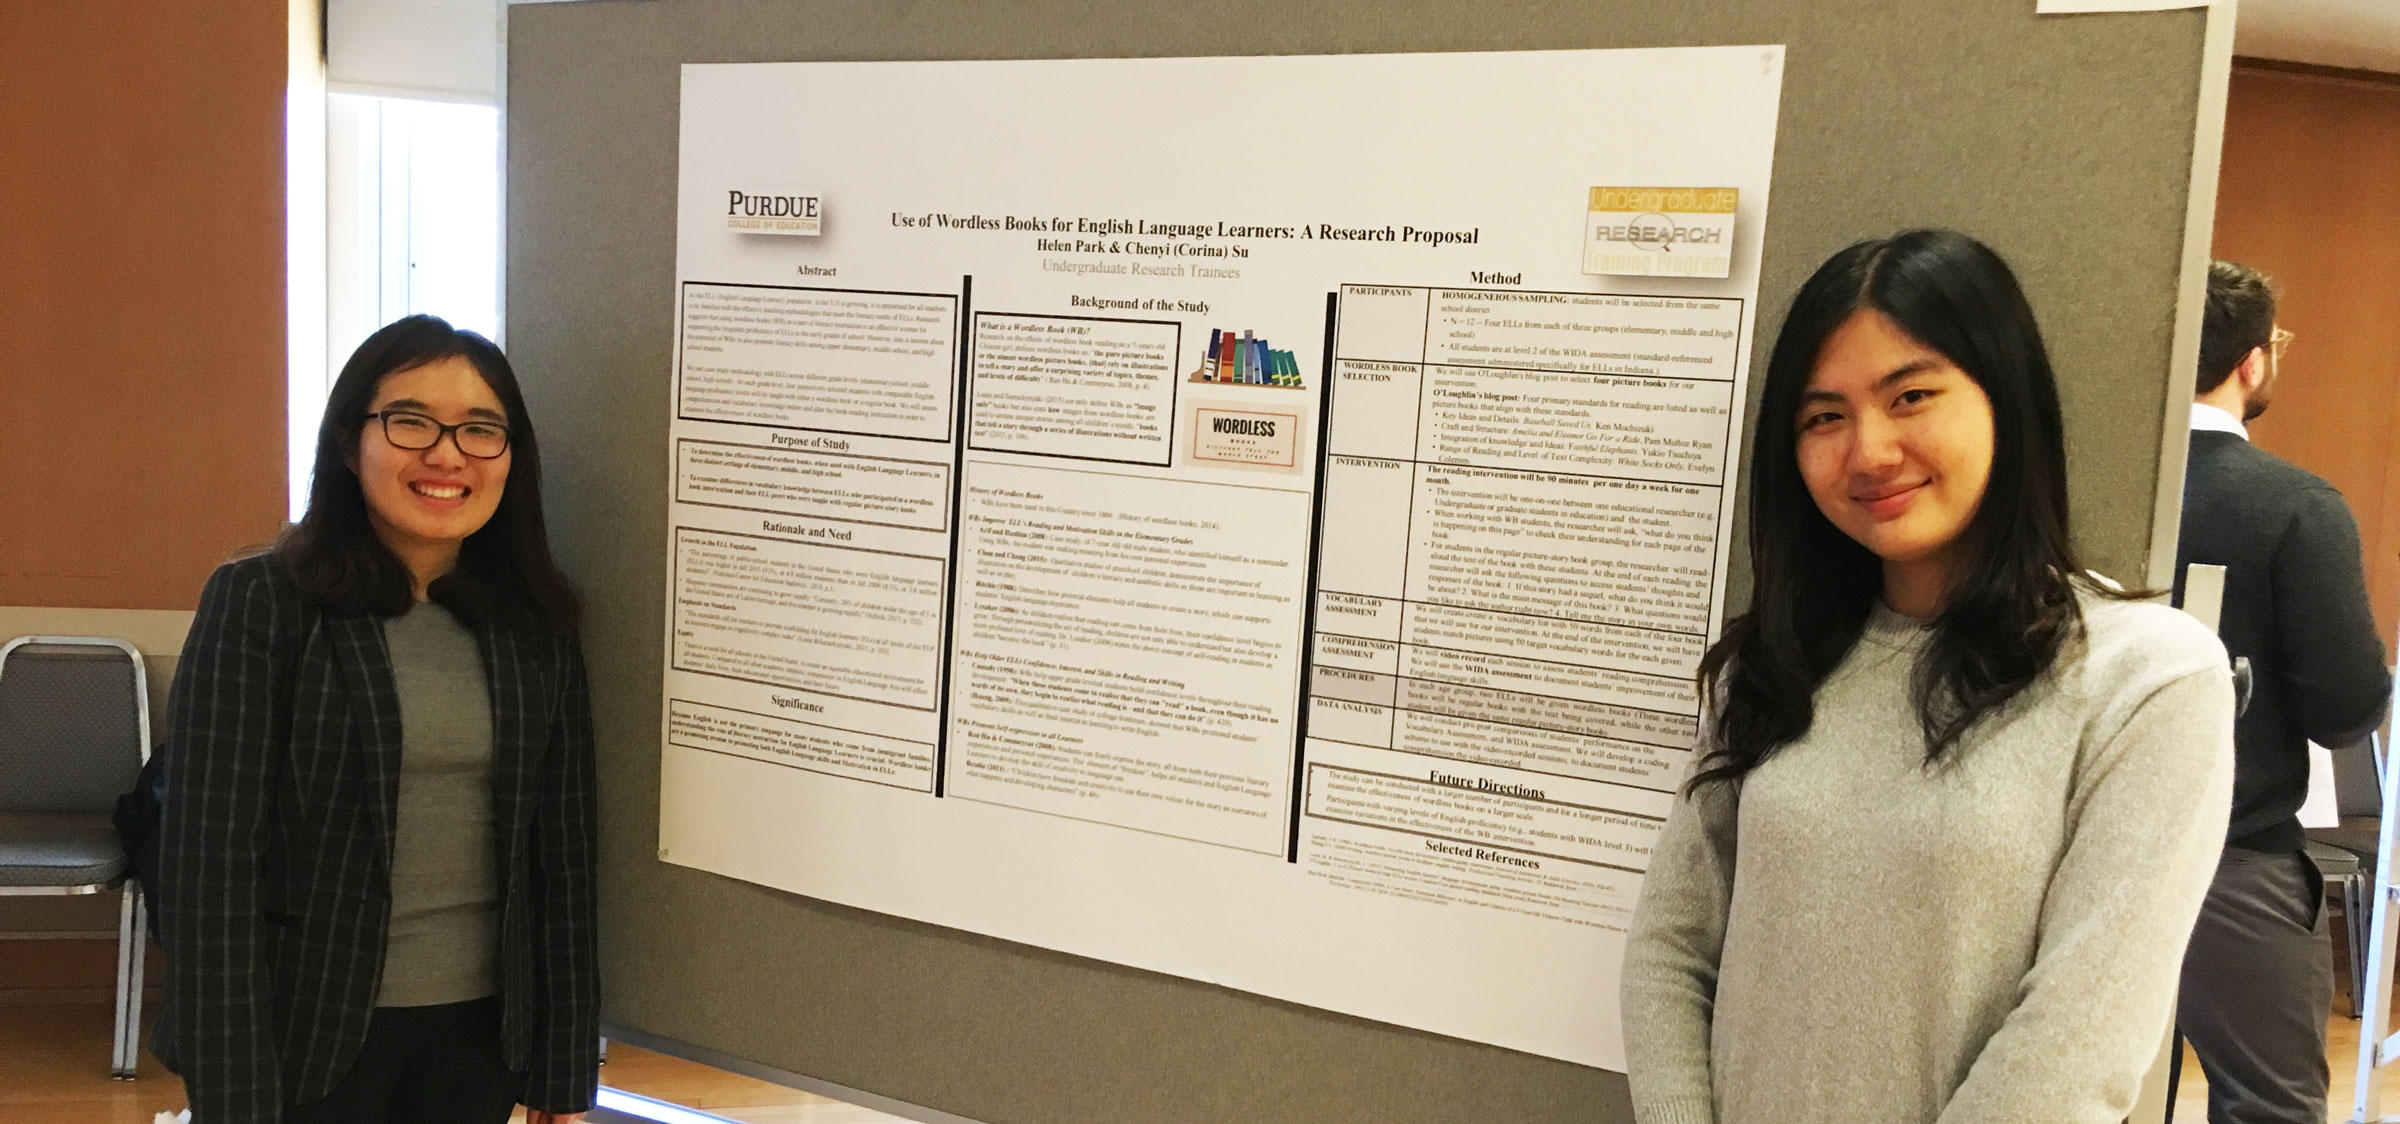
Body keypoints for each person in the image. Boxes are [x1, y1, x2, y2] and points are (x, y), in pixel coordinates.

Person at [1621, 229, 2235, 1123]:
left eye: (1911, 396)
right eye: (1823, 416)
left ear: (2007, 402)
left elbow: (2079, 1045)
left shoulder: (2147, 679)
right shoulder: (1777, 660)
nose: (1868, 451)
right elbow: (1671, 950)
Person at [156, 315, 599, 1124]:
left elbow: (562, 858)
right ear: (346, 441)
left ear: (512, 458)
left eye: (480, 430)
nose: (447, 453)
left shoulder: (535, 624)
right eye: (410, 421)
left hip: (478, 1038)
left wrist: (562, 1067)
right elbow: (206, 869)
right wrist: (232, 1094)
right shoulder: (262, 604)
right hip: (302, 1031)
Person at [2173, 260, 2390, 1124]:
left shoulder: (2066, 482)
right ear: (2254, 361)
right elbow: (2346, 708)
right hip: (2233, 861)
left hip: (2064, 852)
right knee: (2268, 1104)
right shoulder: (2296, 508)